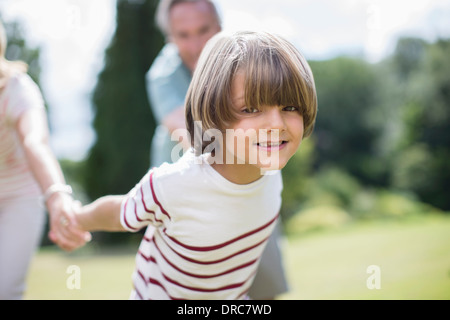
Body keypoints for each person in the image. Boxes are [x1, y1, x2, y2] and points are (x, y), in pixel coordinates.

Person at [74, 30, 318, 300]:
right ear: (214, 111)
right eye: (250, 109)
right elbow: (119, 211)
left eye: (290, 107)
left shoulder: (272, 170)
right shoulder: (175, 184)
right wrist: (76, 220)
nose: (276, 125)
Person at [147, 0, 289, 299]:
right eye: (183, 35)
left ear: (219, 27)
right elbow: (187, 132)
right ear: (170, 37)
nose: (196, 44)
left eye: (203, 31)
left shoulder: (244, 60)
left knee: (263, 283)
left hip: (248, 179)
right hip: (186, 184)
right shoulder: (163, 75)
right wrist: (227, 170)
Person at [0, 20, 90, 299]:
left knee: (4, 289)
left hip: (19, 194)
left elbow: (35, 142)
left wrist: (56, 196)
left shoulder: (18, 90)